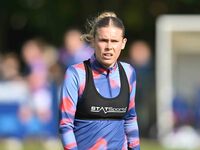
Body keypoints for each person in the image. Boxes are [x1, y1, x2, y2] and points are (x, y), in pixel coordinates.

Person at [59, 12, 140, 150]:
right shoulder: (77, 74)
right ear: (93, 41)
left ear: (123, 43)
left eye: (114, 41)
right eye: (103, 40)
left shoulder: (128, 72)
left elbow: (130, 119)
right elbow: (65, 124)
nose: (109, 47)